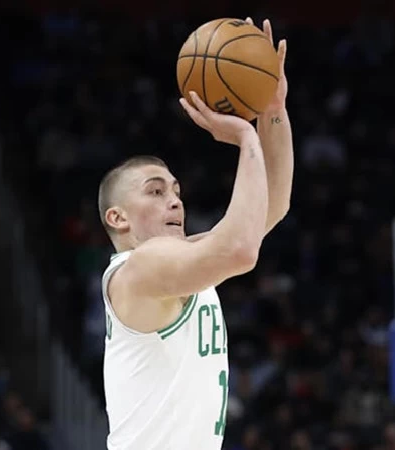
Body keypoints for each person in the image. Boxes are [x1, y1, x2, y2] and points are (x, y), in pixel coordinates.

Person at [97, 19, 292, 450]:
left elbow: (273, 205)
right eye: (155, 191)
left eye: (176, 191)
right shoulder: (137, 269)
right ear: (118, 217)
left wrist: (272, 110)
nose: (174, 201)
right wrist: (245, 136)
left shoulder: (182, 260)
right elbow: (241, 250)